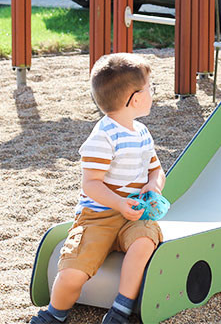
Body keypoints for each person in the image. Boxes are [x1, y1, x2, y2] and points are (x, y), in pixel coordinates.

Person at [30, 53, 166, 324]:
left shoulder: (142, 133)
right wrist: (119, 203)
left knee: (144, 243)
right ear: (135, 99)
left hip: (135, 215)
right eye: (150, 87)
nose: (153, 92)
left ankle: (121, 309)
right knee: (73, 271)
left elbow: (156, 170)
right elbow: (91, 184)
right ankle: (54, 313)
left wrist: (153, 186)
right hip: (98, 217)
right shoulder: (103, 137)